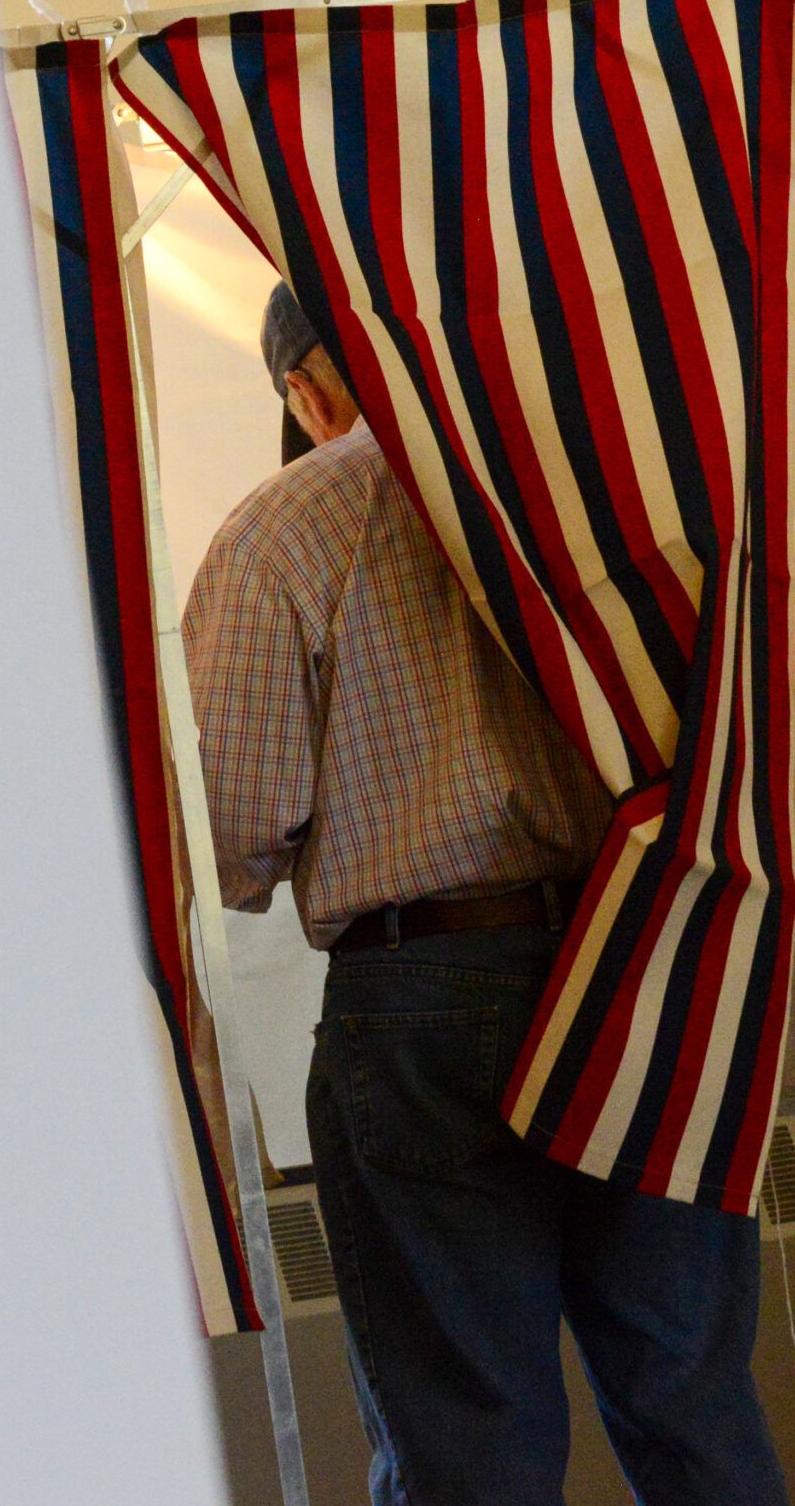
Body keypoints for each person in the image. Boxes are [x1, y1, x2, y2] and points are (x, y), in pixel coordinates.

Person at [181, 283, 788, 1506]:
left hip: (419, 990)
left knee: (469, 1438)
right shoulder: (610, 487)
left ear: (303, 388)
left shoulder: (278, 529)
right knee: (690, 1400)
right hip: (647, 957)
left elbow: (236, 831)